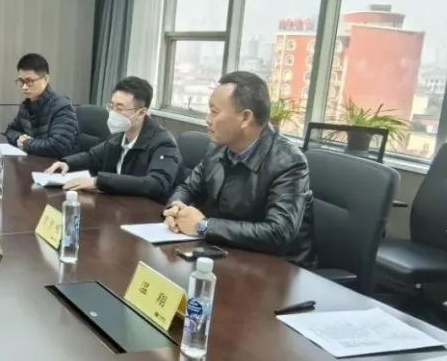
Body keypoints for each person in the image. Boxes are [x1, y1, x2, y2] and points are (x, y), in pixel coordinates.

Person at [163, 71, 315, 267]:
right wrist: (175, 210)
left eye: (214, 112)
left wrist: (204, 226)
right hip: (226, 254)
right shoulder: (218, 148)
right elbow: (188, 188)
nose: (207, 119)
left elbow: (279, 232)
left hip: (277, 269)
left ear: (245, 118)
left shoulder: (288, 162)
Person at [44, 76, 180, 203]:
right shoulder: (120, 134)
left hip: (144, 211)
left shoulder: (163, 143)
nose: (113, 113)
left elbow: (157, 184)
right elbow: (93, 157)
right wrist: (67, 163)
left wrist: (98, 182)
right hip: (117, 203)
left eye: (119, 108)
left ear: (141, 113)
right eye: (111, 106)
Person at [4, 53, 79, 158]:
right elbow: (10, 130)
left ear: (46, 79)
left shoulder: (62, 107)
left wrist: (26, 143)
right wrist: (18, 138)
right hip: (34, 161)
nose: (24, 87)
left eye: (29, 81)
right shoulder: (26, 106)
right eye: (21, 81)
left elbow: (58, 147)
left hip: (56, 165)